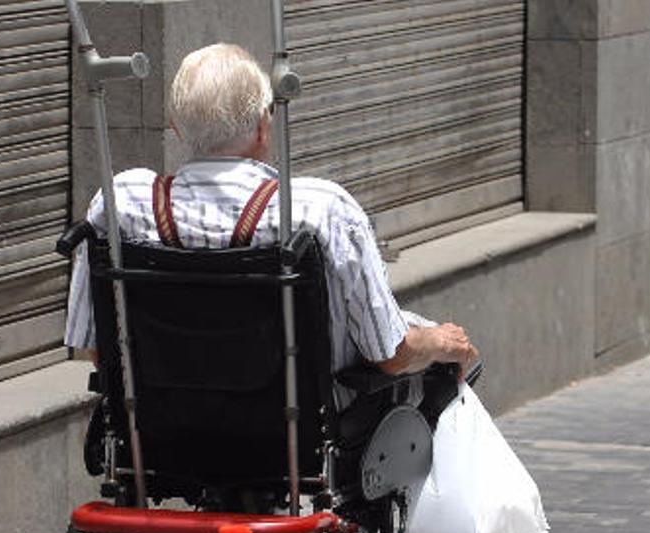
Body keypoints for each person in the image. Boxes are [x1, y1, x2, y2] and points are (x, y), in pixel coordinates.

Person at [64, 43, 479, 390]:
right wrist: (440, 341)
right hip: (303, 437)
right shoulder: (318, 208)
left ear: (176, 128)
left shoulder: (123, 201)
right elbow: (391, 355)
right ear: (264, 126)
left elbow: (96, 347)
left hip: (162, 431)